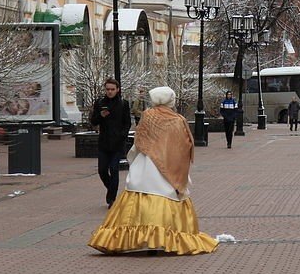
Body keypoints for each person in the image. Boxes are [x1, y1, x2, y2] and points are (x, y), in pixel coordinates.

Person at [88, 86, 218, 255]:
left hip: (146, 163)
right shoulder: (177, 120)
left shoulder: (148, 116)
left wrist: (141, 153)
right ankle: (163, 238)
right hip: (168, 164)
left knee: (139, 191)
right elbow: (184, 144)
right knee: (166, 194)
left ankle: (135, 238)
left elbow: (140, 139)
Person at [89, 78, 132, 208]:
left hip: (118, 143)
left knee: (114, 169)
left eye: (112, 89)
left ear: (117, 90)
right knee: (102, 170)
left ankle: (112, 199)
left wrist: (122, 135)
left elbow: (127, 123)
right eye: (108, 89)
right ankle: (111, 189)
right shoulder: (100, 103)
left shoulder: (123, 104)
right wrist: (100, 116)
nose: (110, 92)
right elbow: (93, 122)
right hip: (104, 142)